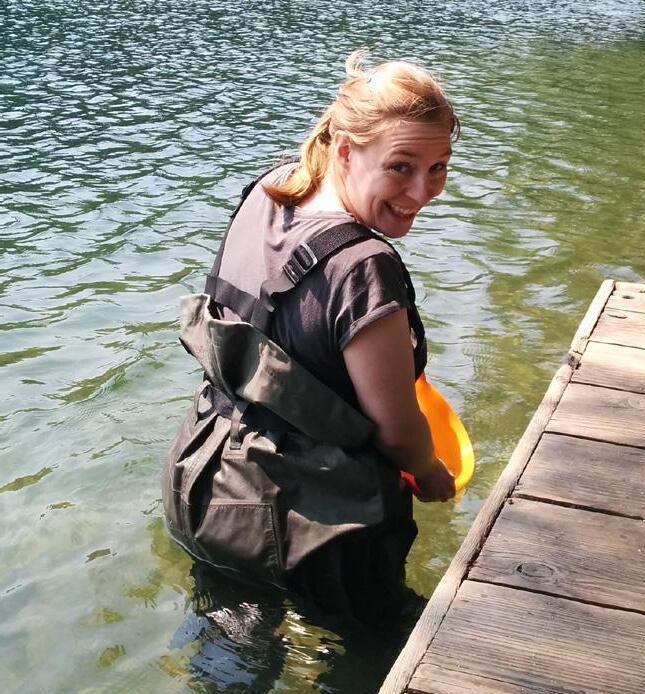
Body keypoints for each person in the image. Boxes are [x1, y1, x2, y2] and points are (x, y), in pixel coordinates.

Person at [161, 50, 460, 622]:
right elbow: (399, 433)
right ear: (345, 150)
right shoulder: (363, 267)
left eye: (439, 167)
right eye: (401, 167)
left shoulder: (271, 187)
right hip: (302, 526)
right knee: (380, 643)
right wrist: (429, 473)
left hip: (202, 481)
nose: (422, 192)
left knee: (229, 641)